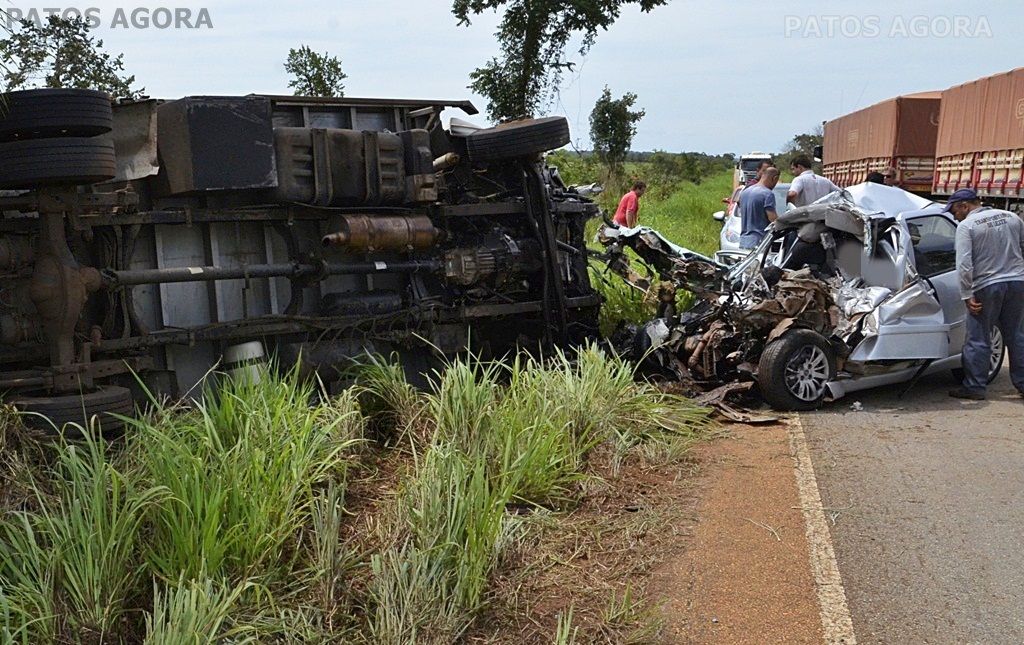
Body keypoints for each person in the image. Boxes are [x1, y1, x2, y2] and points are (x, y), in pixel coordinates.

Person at [946, 188, 1024, 400]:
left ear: (965, 206)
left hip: (987, 286)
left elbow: (964, 265)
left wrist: (966, 294)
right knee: (1016, 335)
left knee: (979, 337)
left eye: (954, 210)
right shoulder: (1012, 217)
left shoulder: (967, 226)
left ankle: (974, 387)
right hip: (1017, 282)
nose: (954, 215)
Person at [738, 167, 780, 249]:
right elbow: (773, 220)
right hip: (759, 244)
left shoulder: (745, 192)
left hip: (743, 242)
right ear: (775, 178)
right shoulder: (767, 194)